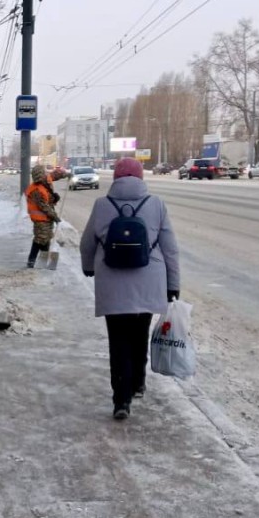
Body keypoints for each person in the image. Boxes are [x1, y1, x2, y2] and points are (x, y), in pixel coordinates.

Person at [79, 157, 180, 420]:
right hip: (149, 282)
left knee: (118, 340)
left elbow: (86, 243)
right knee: (140, 335)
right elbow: (170, 248)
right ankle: (138, 383)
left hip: (112, 283)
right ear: (140, 178)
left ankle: (120, 400)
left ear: (115, 178)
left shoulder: (102, 205)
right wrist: (173, 284)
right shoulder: (156, 204)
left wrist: (89, 266)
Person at [24, 164, 67, 268]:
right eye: (43, 174)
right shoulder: (36, 190)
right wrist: (55, 217)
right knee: (40, 239)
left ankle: (43, 261)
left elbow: (54, 176)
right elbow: (44, 207)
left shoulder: (45, 182)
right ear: (39, 176)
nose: (45, 176)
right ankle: (32, 261)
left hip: (47, 218)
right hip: (40, 219)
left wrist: (65, 174)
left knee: (46, 239)